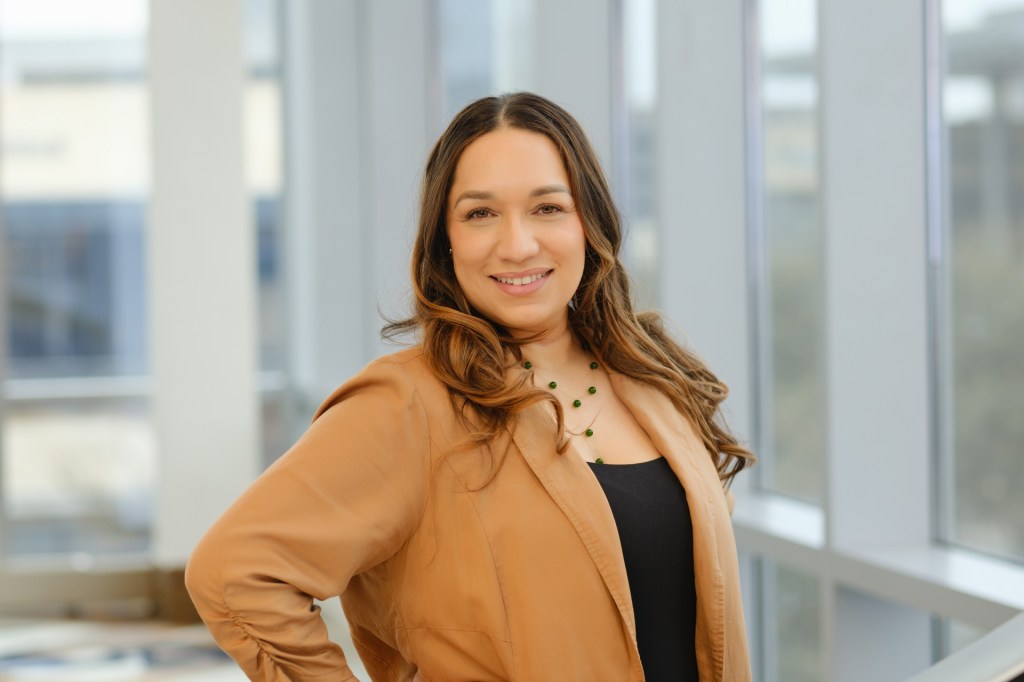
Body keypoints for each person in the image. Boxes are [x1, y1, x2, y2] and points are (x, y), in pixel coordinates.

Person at [186, 92, 755, 682]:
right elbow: (235, 573)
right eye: (480, 214)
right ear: (445, 239)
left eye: (548, 208)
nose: (517, 245)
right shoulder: (408, 403)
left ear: (590, 222)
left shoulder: (651, 374)